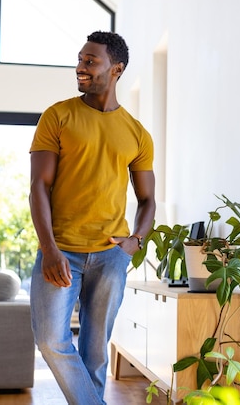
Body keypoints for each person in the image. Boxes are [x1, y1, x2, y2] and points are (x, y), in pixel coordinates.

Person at [28, 31, 156, 405]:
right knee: (51, 339)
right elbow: (38, 186)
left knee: (96, 351)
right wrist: (49, 248)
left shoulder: (137, 134)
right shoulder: (59, 115)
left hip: (111, 254)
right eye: (80, 59)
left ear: (116, 70)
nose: (80, 67)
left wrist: (136, 240)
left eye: (90, 61)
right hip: (60, 251)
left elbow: (147, 200)